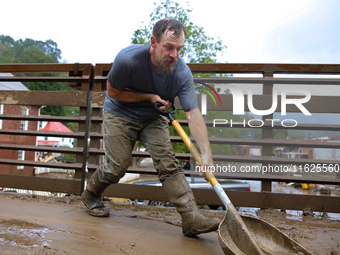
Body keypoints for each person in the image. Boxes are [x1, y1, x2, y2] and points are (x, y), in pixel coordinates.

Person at [81, 18, 220, 237]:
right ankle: (90, 194)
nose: (174, 55)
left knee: (168, 164)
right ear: (153, 42)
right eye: (169, 47)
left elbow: (192, 113)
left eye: (179, 49)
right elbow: (113, 92)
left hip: (154, 117)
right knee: (118, 166)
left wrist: (206, 153)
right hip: (120, 112)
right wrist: (150, 97)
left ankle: (191, 218)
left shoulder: (182, 73)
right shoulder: (127, 59)